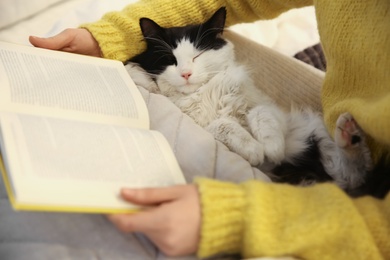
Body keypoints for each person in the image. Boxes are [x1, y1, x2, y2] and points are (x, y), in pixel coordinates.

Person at [29, 0, 390, 259]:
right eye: (174, 64)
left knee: (286, 126)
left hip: (340, 186)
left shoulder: (229, 74)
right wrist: (108, 37)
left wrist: (235, 216)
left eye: (196, 59)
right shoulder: (170, 83)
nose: (185, 71)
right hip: (300, 160)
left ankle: (353, 169)